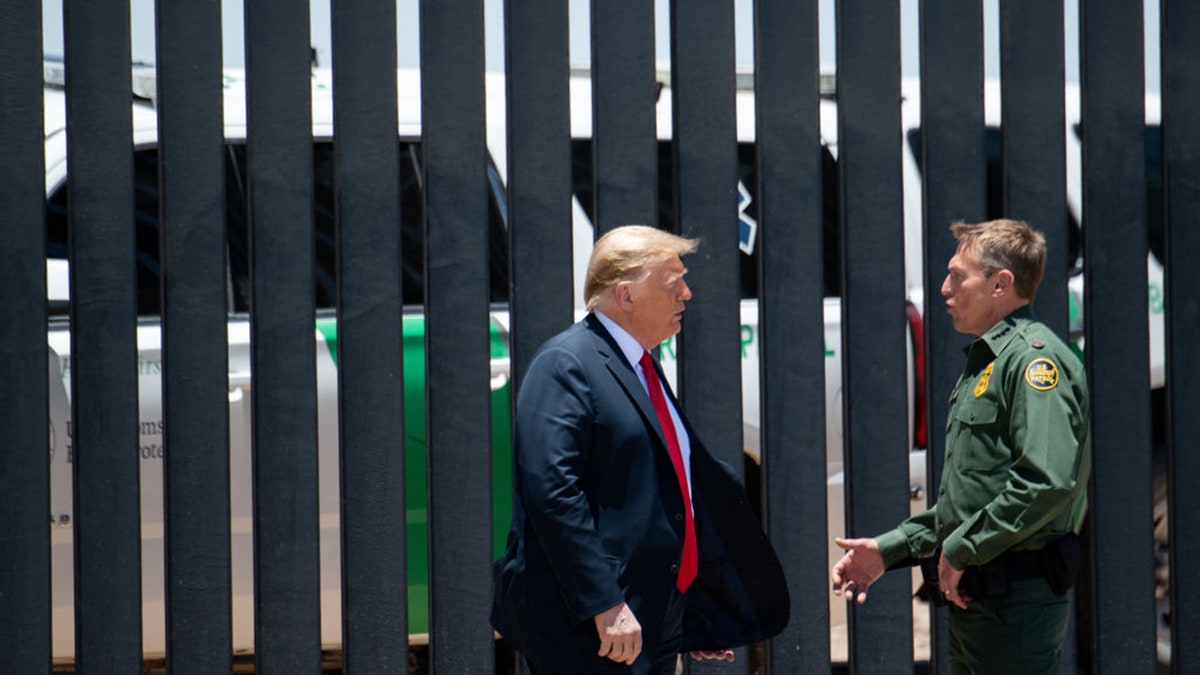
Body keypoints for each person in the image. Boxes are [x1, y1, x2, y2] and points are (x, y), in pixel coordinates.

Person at [492, 225, 789, 674]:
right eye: (674, 284)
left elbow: (665, 494)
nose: (687, 294)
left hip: (649, 617)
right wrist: (604, 603)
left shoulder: (639, 367)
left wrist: (692, 612)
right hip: (593, 628)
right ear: (625, 295)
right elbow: (552, 494)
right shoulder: (566, 363)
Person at [831, 219, 1091, 674]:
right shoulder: (988, 360)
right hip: (979, 601)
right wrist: (888, 551)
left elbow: (1045, 483)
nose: (944, 288)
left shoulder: (1034, 361)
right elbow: (970, 502)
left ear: (1000, 284)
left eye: (957, 275)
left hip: (1014, 609)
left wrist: (962, 549)